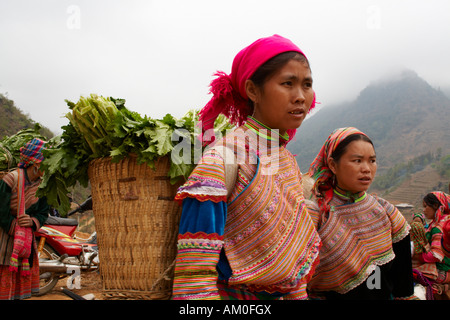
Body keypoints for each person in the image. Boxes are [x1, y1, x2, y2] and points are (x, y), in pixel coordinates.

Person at [171, 34, 321, 300]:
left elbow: (293, 267)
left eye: (306, 85)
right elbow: (194, 283)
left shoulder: (286, 162)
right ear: (253, 90)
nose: (301, 97)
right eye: (288, 83)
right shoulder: (224, 160)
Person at [306, 127, 417, 300]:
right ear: (333, 165)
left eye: (372, 161)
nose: (366, 169)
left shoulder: (386, 212)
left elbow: (402, 281)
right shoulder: (318, 216)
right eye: (357, 161)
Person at [0, 138, 49, 299]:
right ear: (35, 163)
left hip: (25, 243)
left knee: (18, 291)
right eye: (45, 162)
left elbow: (43, 212)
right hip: (4, 239)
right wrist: (14, 227)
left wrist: (33, 222)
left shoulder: (42, 186)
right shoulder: (11, 179)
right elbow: (1, 209)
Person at [411, 192, 450, 295]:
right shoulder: (437, 222)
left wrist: (420, 256)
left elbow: (436, 255)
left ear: (436, 206)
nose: (424, 210)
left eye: (426, 206)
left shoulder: (439, 227)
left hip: (441, 270)